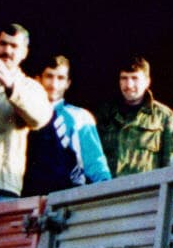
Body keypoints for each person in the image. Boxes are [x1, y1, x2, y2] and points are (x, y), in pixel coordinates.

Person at [0, 22, 53, 201]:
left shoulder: (31, 87)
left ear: (24, 53)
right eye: (3, 44)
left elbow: (39, 119)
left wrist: (12, 87)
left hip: (2, 185)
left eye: (14, 46)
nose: (7, 51)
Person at [22, 55, 111, 196]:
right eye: (49, 76)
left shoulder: (80, 117)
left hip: (66, 199)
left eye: (60, 78)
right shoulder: (20, 112)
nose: (54, 84)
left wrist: (107, 192)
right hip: (24, 198)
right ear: (38, 79)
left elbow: (95, 163)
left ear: (68, 83)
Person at [98, 56, 173, 176]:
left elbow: (172, 163)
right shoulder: (104, 115)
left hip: (146, 192)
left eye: (134, 78)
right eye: (124, 78)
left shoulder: (163, 117)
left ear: (147, 81)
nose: (129, 84)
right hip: (108, 191)